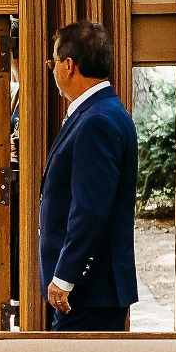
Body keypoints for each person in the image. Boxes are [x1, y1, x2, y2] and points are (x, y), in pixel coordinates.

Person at [39, 20, 138, 332]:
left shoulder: (98, 121)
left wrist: (65, 278)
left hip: (89, 290)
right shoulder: (99, 112)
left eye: (52, 62)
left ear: (69, 66)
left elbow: (91, 209)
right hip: (91, 290)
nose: (51, 69)